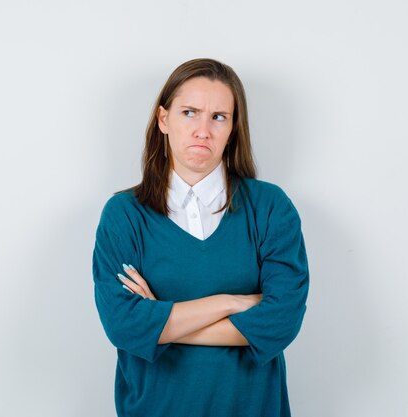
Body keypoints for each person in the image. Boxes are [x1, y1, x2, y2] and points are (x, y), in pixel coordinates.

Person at [92, 58, 309, 417]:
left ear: (233, 127)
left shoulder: (270, 207)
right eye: (190, 112)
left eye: (218, 117)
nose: (203, 130)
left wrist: (160, 323)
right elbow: (123, 325)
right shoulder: (124, 215)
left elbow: (282, 321)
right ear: (164, 119)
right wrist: (232, 302)